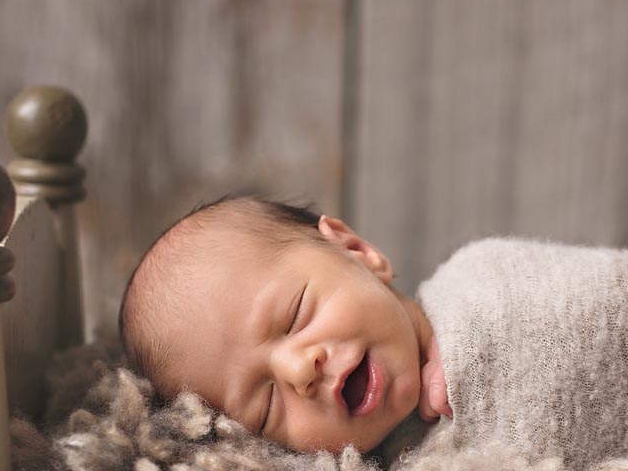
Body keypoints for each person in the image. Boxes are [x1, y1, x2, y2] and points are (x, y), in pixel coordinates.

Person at [118, 195, 452, 455]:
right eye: (266, 408)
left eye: (296, 316)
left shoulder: (471, 289)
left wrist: (459, 342)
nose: (299, 370)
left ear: (356, 251)